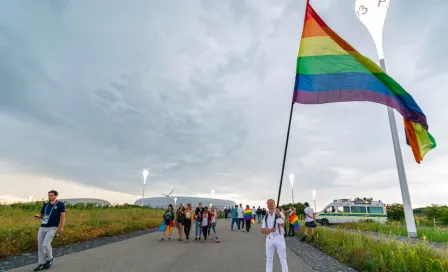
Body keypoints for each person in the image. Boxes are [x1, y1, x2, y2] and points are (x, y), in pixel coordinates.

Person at [33, 190, 66, 271]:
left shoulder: (60, 205)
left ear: (56, 196)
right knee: (40, 246)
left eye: (51, 195)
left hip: (52, 227)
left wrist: (61, 227)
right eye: (49, 195)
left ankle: (50, 259)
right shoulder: (46, 204)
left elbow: (62, 217)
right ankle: (41, 263)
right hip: (43, 227)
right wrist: (38, 216)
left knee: (46, 245)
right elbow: (42, 215)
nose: (50, 197)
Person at [261, 199, 288, 272]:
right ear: (267, 205)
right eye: (268, 203)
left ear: (274, 204)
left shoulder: (280, 213)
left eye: (271, 203)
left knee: (282, 259)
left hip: (279, 238)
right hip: (270, 239)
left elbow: (283, 224)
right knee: (269, 259)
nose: (270, 204)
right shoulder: (265, 216)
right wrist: (269, 230)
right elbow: (262, 230)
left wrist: (278, 215)